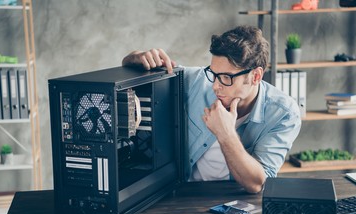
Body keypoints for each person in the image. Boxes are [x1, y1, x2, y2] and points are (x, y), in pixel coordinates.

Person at [122, 25, 301, 193]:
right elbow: (131, 64)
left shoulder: (284, 114)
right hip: (181, 193)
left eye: (225, 77)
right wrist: (136, 56)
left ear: (255, 76)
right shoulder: (198, 81)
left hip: (233, 200)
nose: (215, 85)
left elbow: (258, 184)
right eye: (214, 74)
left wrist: (226, 133)